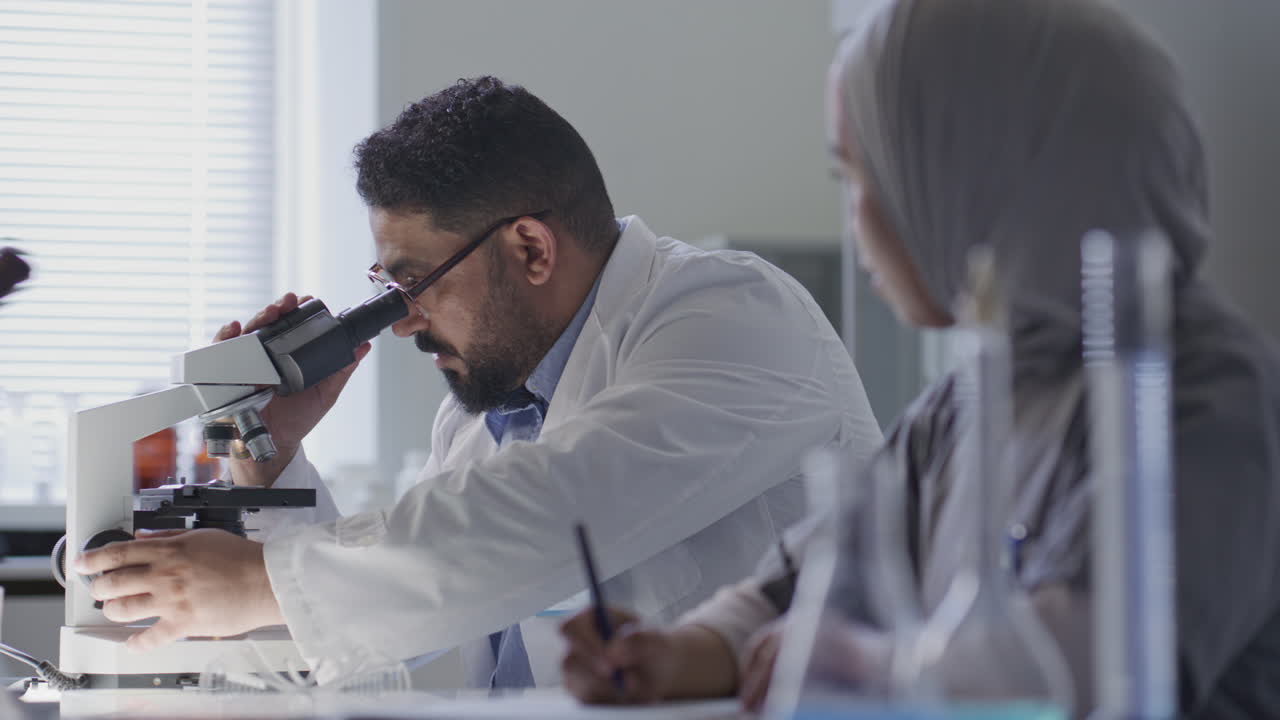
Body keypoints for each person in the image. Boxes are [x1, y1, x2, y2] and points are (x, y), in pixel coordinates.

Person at [560, 0, 1280, 716]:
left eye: (861, 177)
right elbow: (801, 584)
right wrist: (675, 655)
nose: (856, 221)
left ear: (974, 176)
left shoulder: (1205, 399)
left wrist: (855, 662)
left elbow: (1083, 669)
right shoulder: (964, 404)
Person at [73, 76, 883, 688]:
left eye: (413, 282)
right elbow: (389, 627)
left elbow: (559, 507)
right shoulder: (492, 406)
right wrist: (269, 455)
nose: (400, 321)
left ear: (531, 248)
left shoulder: (735, 312)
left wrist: (256, 583)